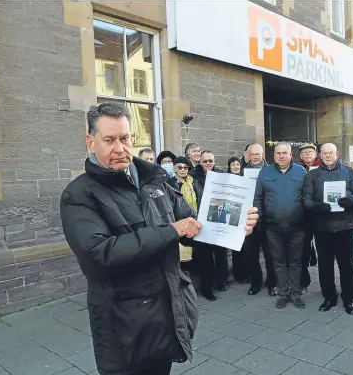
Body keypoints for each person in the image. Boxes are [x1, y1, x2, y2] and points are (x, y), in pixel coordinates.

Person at [60, 102, 259, 375]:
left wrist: (235, 227)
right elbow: (99, 255)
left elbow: (194, 226)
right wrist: (171, 230)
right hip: (124, 327)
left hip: (167, 313)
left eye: (125, 138)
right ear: (90, 142)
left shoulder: (154, 181)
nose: (119, 148)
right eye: (109, 140)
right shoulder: (80, 194)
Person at [304, 143, 353, 315]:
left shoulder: (348, 172)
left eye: (331, 153)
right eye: (325, 153)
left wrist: (350, 200)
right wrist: (317, 207)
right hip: (322, 228)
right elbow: (306, 200)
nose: (328, 156)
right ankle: (329, 297)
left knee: (346, 266)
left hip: (345, 226)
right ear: (320, 156)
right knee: (325, 266)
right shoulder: (313, 175)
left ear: (336, 153)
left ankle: (349, 299)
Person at [254, 142, 307, 309]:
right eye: (278, 153)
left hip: (297, 227)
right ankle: (283, 294)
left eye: (285, 153)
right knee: (279, 262)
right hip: (273, 227)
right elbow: (258, 199)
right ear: (274, 155)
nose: (281, 156)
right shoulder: (265, 172)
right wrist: (260, 221)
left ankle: (296, 293)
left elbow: (307, 197)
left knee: (296, 261)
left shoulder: (301, 171)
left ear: (291, 155)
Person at [190, 150, 229, 300]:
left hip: (218, 217)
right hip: (202, 220)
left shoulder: (221, 174)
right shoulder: (193, 176)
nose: (208, 164)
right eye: (205, 161)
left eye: (210, 161)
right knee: (205, 256)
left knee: (221, 253)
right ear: (200, 162)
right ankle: (207, 287)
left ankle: (221, 281)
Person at [242, 144, 277, 297]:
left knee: (270, 254)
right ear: (247, 155)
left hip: (267, 217)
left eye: (258, 154)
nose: (255, 157)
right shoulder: (241, 171)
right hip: (248, 218)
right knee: (251, 253)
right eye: (252, 154)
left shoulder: (271, 170)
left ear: (262, 154)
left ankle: (272, 283)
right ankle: (255, 283)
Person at [297, 143, 321, 294]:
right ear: (300, 156)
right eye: (304, 152)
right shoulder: (297, 170)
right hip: (303, 216)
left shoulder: (323, 168)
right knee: (303, 250)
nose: (307, 155)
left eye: (310, 152)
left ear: (316, 154)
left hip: (320, 215)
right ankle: (303, 282)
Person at [227, 156, 248, 283]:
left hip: (244, 215)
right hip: (231, 214)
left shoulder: (246, 179)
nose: (235, 166)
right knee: (235, 247)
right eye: (233, 164)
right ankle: (238, 274)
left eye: (237, 164)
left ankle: (246, 272)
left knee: (246, 247)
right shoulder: (225, 179)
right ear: (229, 167)